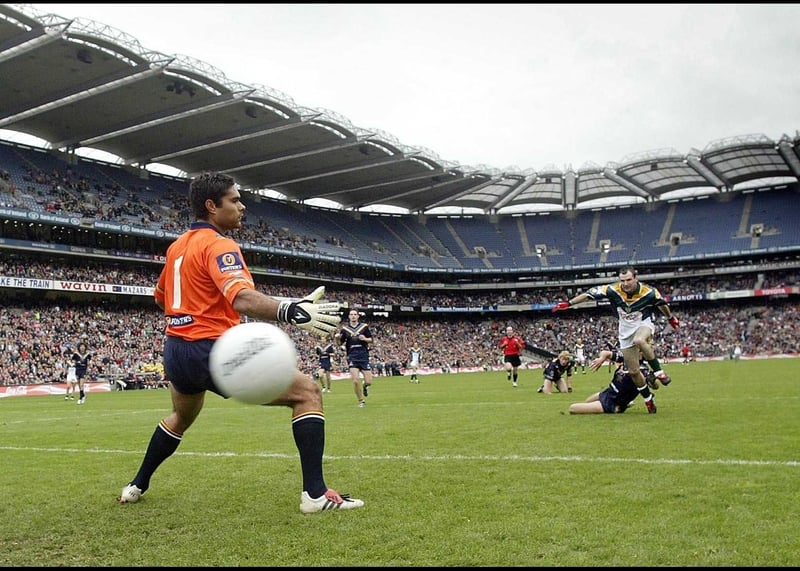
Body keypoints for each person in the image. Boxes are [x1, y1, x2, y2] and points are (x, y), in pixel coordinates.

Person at [117, 172, 363, 514]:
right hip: (214, 349)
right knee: (308, 392)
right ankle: (315, 495)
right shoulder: (220, 244)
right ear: (211, 206)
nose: (242, 206)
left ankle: (136, 485)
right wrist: (290, 310)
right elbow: (242, 299)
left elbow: (160, 298)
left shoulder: (177, 247)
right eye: (234, 200)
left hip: (176, 350)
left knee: (180, 417)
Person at [552, 265, 679, 414]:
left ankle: (659, 372)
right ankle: (648, 400)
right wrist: (569, 304)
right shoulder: (612, 290)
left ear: (636, 278)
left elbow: (662, 304)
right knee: (633, 372)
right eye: (622, 280)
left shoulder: (649, 292)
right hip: (625, 333)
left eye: (629, 280)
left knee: (639, 340)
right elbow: (588, 294)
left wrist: (670, 318)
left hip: (643, 324)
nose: (626, 283)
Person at [569, 350, 661, 414]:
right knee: (586, 402)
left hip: (612, 403)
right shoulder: (627, 358)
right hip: (607, 393)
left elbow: (655, 385)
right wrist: (601, 359)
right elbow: (605, 353)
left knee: (573, 408)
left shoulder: (642, 370)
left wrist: (652, 381)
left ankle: (621, 406)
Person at [335, 308, 374, 408]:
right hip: (352, 356)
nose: (353, 316)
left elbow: (371, 340)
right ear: (349, 316)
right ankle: (361, 401)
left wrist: (364, 339)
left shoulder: (364, 327)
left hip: (363, 356)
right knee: (355, 380)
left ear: (358, 316)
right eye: (351, 314)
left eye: (354, 314)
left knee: (369, 381)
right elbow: (339, 344)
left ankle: (365, 386)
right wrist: (337, 339)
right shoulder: (345, 329)